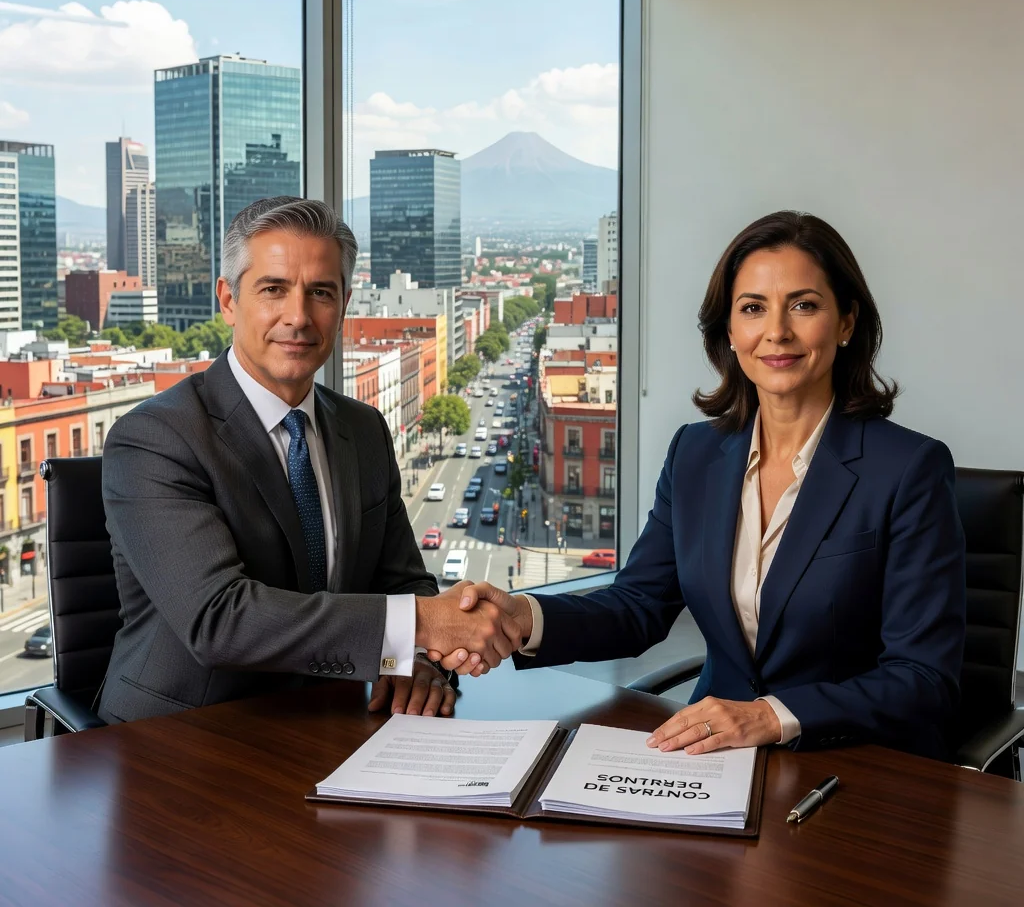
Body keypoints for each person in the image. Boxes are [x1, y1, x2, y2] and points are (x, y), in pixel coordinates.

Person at [444, 211, 966, 760]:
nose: (777, 331)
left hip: (857, 764)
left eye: (804, 305)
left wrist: (771, 715)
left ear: (846, 323)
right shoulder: (695, 453)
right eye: (753, 308)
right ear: (730, 331)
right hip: (714, 759)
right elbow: (639, 604)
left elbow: (924, 678)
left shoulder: (909, 469)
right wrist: (524, 618)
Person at [98, 197, 517, 724]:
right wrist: (421, 625)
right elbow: (218, 620)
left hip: (334, 721)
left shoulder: (363, 429)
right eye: (273, 289)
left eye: (320, 292)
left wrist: (415, 659)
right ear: (228, 300)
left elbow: (403, 579)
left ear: (343, 306)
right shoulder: (155, 438)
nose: (298, 317)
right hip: (184, 735)